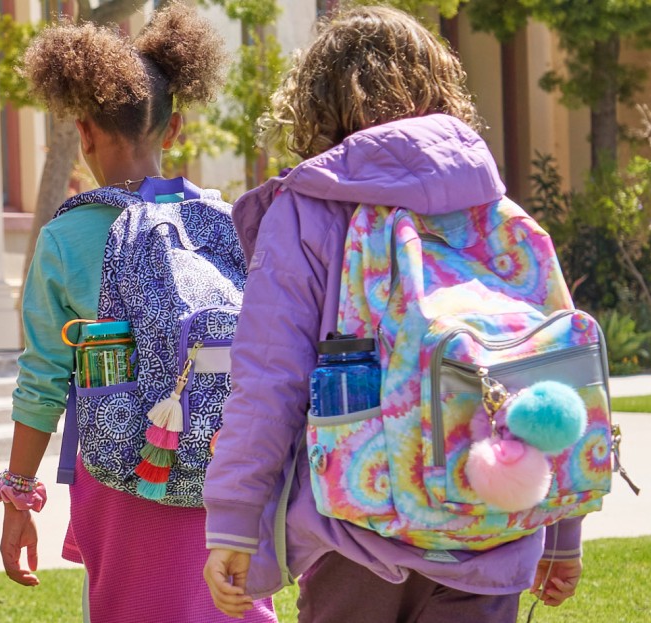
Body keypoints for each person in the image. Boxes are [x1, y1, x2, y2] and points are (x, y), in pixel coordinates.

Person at [201, 7, 585, 622]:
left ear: (316, 100)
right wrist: (562, 528)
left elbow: (268, 381)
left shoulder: (308, 213)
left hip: (359, 528)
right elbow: (556, 370)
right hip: (492, 521)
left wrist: (234, 522)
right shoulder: (498, 214)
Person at [0, 5, 276, 621]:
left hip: (120, 470)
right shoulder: (224, 224)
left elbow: (43, 380)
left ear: (84, 132)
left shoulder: (65, 241)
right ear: (173, 129)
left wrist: (19, 493)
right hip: (224, 467)